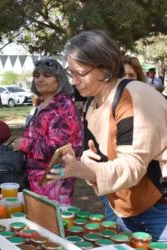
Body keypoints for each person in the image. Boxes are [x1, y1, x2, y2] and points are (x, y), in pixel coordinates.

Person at [52, 30, 167, 241]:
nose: (74, 81)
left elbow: (132, 167)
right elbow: (99, 155)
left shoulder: (133, 97)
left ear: (104, 68)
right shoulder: (92, 103)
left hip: (157, 210)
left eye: (81, 73)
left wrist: (83, 170)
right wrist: (87, 160)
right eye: (71, 73)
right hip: (117, 204)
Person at [14, 58, 83, 206]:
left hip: (54, 178)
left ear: (59, 79)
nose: (40, 79)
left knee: (53, 223)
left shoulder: (63, 105)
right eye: (37, 75)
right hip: (36, 178)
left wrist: (24, 144)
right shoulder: (41, 104)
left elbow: (57, 147)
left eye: (47, 75)